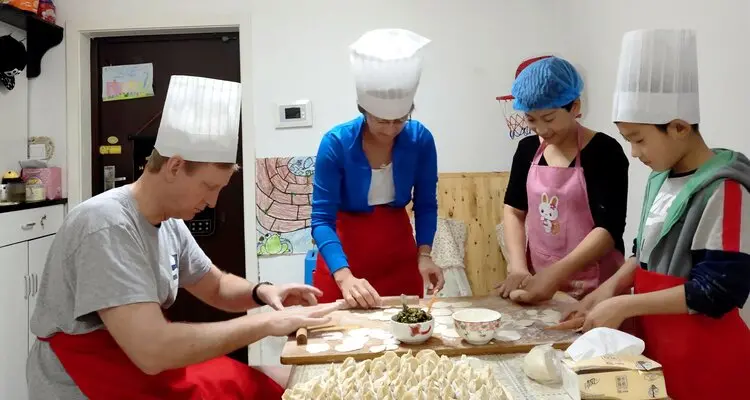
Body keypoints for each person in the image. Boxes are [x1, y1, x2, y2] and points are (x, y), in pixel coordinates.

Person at [26, 75, 341, 400]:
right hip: (87, 382)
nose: (214, 202)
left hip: (138, 364)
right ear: (175, 166)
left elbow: (216, 287)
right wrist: (265, 325)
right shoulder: (107, 224)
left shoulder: (171, 223)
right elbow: (153, 351)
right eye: (209, 187)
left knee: (269, 381)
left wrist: (264, 293)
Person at [561, 29, 750, 399]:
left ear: (679, 127)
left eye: (639, 139)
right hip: (661, 352)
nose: (634, 152)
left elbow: (719, 290)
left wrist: (626, 302)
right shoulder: (660, 179)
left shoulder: (724, 189)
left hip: (709, 363)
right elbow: (645, 253)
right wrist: (610, 287)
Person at [311, 28, 444, 309]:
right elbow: (321, 219)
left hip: (398, 254)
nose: (392, 129)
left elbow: (426, 204)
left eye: (400, 119)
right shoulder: (335, 143)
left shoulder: (420, 139)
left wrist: (424, 254)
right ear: (364, 110)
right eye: (382, 121)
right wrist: (344, 277)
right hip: (343, 257)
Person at [494, 56, 628, 303]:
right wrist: (519, 267)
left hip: (597, 287)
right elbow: (514, 209)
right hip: (540, 281)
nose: (542, 130)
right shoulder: (527, 150)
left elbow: (608, 229)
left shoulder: (604, 151)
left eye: (549, 118)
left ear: (574, 107)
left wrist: (555, 274)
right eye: (531, 120)